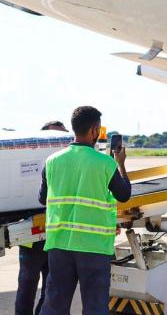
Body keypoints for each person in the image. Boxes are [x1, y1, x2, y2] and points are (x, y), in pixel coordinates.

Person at [38, 106, 131, 315]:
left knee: (55, 305)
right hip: (94, 247)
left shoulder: (52, 161)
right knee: (95, 306)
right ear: (94, 129)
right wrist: (121, 164)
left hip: (59, 245)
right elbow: (124, 194)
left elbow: (43, 199)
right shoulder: (105, 163)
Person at [15, 121, 69, 315]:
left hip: (55, 235)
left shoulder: (63, 163)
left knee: (52, 287)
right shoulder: (33, 163)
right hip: (32, 232)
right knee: (27, 283)